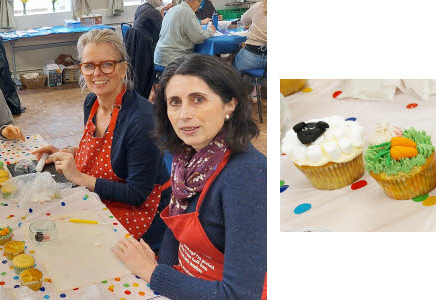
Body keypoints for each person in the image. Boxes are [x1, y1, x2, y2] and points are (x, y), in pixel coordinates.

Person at [113, 54, 267, 299]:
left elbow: (238, 295)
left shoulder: (248, 176)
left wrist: (152, 273)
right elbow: (176, 233)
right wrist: (162, 272)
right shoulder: (188, 156)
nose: (184, 114)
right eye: (175, 102)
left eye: (198, 99)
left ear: (230, 104)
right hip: (185, 279)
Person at [32, 29, 171, 249]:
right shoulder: (91, 103)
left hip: (140, 213)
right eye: (89, 65)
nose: (97, 73)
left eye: (107, 64)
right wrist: (66, 153)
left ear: (123, 68)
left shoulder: (142, 120)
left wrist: (78, 177)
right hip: (101, 197)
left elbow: (137, 195)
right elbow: (107, 153)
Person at [153, 0, 215, 67]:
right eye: (199, 3)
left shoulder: (173, 9)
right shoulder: (187, 12)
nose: (199, 6)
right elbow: (199, 37)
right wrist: (211, 30)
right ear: (195, 1)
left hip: (160, 57)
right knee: (204, 66)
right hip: (172, 59)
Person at [233, 0, 267, 72]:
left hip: (251, 55)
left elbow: (244, 21)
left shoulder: (258, 6)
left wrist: (254, 23)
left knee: (233, 69)